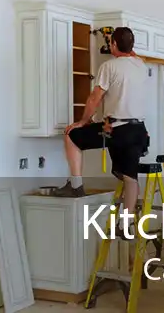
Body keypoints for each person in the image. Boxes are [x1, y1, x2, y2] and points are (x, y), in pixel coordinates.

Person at [52, 26, 149, 218]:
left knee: (72, 135)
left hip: (116, 129)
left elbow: (94, 98)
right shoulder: (141, 65)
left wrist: (82, 121)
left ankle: (76, 186)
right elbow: (129, 53)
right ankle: (125, 224)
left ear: (113, 44)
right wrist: (118, 41)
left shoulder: (109, 67)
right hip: (139, 131)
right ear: (132, 46)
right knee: (131, 179)